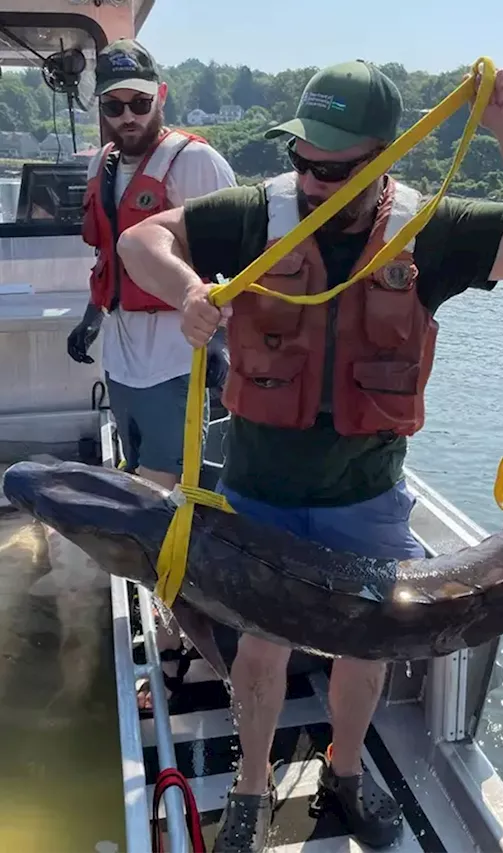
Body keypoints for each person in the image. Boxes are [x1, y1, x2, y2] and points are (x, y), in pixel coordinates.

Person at [117, 59, 503, 852]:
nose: (310, 178)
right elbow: (141, 239)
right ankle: (252, 788)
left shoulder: (424, 229)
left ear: (382, 158)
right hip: (260, 490)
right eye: (302, 157)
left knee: (367, 643)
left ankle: (344, 773)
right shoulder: (256, 214)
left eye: (332, 167)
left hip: (367, 494)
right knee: (259, 647)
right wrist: (188, 289)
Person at [68, 37, 235, 711]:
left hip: (183, 367)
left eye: (139, 102)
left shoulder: (197, 165)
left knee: (179, 516)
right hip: (128, 361)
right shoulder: (105, 164)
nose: (127, 116)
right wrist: (90, 315)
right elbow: (112, 255)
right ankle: (173, 645)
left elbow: (244, 265)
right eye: (115, 106)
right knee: (147, 513)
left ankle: (203, 658)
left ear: (160, 96)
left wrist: (236, 361)